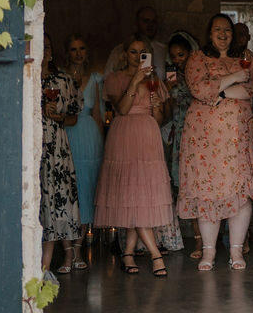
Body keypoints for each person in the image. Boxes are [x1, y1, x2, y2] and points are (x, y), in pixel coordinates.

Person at [177, 14, 253, 271]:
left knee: (240, 192)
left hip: (239, 138)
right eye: (218, 29)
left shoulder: (247, 56)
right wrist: (236, 76)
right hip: (204, 141)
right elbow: (199, 90)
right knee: (208, 192)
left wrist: (222, 91)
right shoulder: (198, 58)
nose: (223, 34)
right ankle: (209, 251)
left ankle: (236, 251)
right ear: (210, 33)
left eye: (227, 29)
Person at [93, 33, 174, 277]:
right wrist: (137, 78)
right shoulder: (114, 78)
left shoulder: (154, 80)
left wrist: (156, 106)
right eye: (133, 51)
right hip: (124, 136)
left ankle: (127, 253)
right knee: (131, 192)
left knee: (141, 195)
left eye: (143, 52)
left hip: (148, 136)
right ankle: (155, 254)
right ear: (124, 54)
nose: (138, 56)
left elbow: (159, 119)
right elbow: (122, 109)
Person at [39, 34, 83, 279]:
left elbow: (74, 117)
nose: (43, 50)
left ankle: (45, 267)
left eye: (46, 46)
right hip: (33, 143)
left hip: (57, 146)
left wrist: (58, 117)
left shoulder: (63, 80)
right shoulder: (24, 76)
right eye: (39, 45)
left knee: (55, 200)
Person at [63, 34, 104, 252]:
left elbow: (98, 115)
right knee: (70, 187)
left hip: (89, 138)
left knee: (87, 188)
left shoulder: (94, 80)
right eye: (73, 49)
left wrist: (103, 147)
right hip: (68, 134)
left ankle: (78, 249)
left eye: (82, 48)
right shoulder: (60, 78)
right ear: (67, 53)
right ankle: (67, 250)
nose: (78, 53)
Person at [157, 32, 197, 254]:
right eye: (174, 56)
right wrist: (166, 92)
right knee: (181, 183)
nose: (177, 60)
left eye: (181, 55)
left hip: (197, 131)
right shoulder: (171, 78)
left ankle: (203, 235)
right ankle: (186, 231)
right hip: (178, 132)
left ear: (190, 53)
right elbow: (167, 113)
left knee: (197, 181)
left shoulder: (198, 74)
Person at [104, 6, 168, 80]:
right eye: (146, 21)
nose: (150, 25)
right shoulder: (119, 50)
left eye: (153, 21)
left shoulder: (164, 50)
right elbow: (107, 79)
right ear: (137, 23)